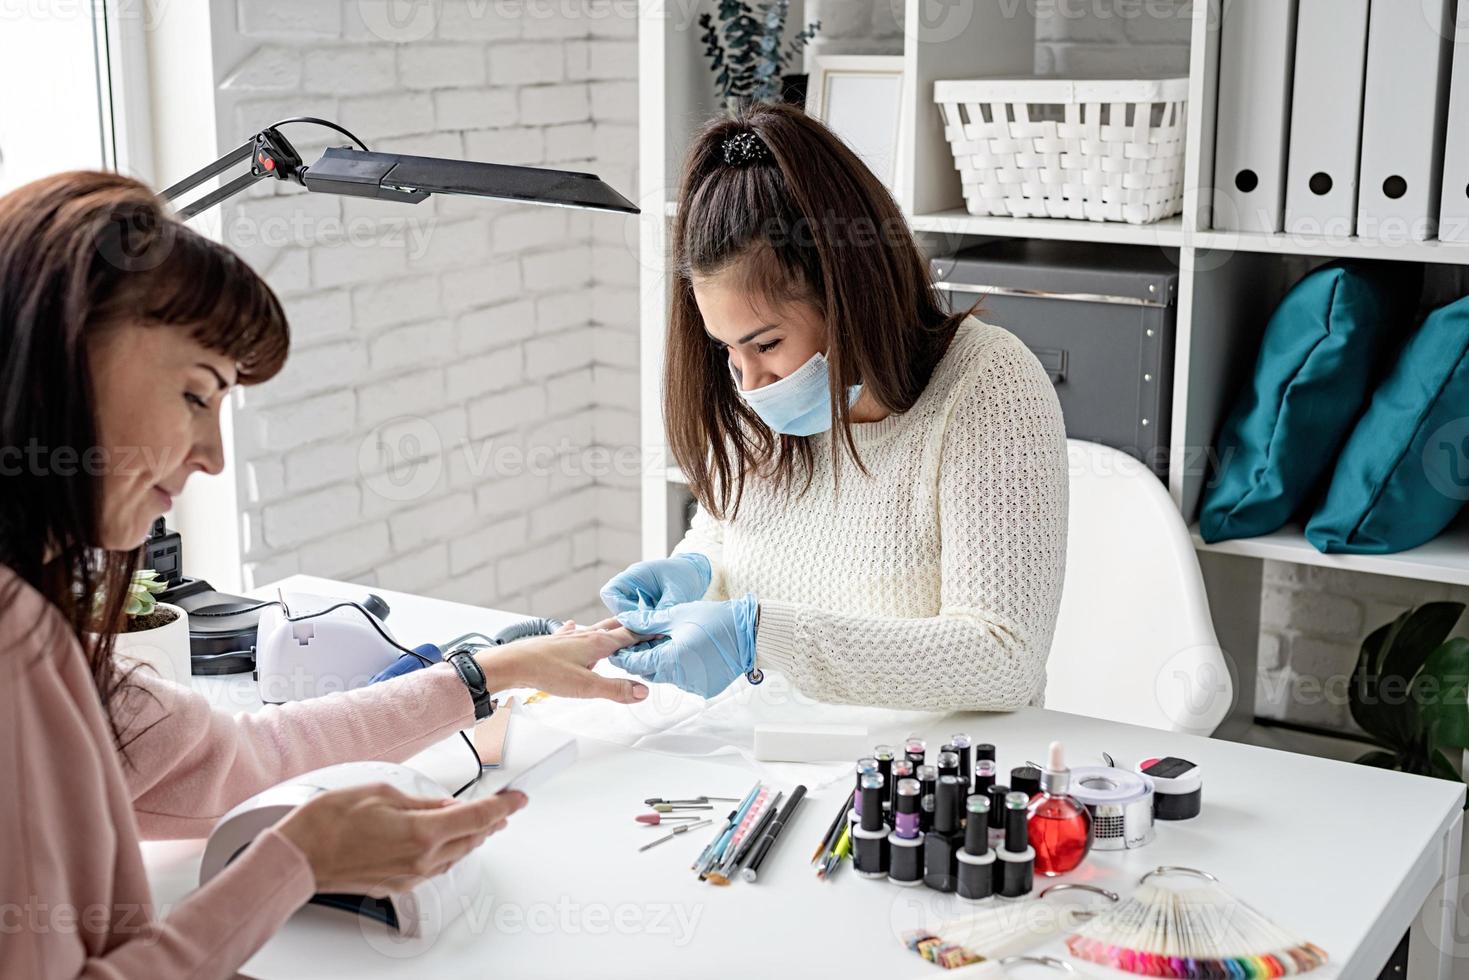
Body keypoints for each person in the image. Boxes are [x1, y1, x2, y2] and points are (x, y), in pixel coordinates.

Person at [0, 171, 646, 979]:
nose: (213, 457)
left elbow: (239, 758)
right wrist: (293, 864)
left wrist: (486, 673)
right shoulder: (14, 641)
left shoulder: (49, 632)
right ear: (60, 354)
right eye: (197, 394)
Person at [601, 102, 1069, 712]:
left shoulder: (989, 386)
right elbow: (729, 538)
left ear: (850, 294)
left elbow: (1004, 657)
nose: (750, 381)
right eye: (727, 349)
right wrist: (694, 568)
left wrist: (759, 635)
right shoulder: (759, 392)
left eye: (766, 343)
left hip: (924, 782)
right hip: (775, 757)